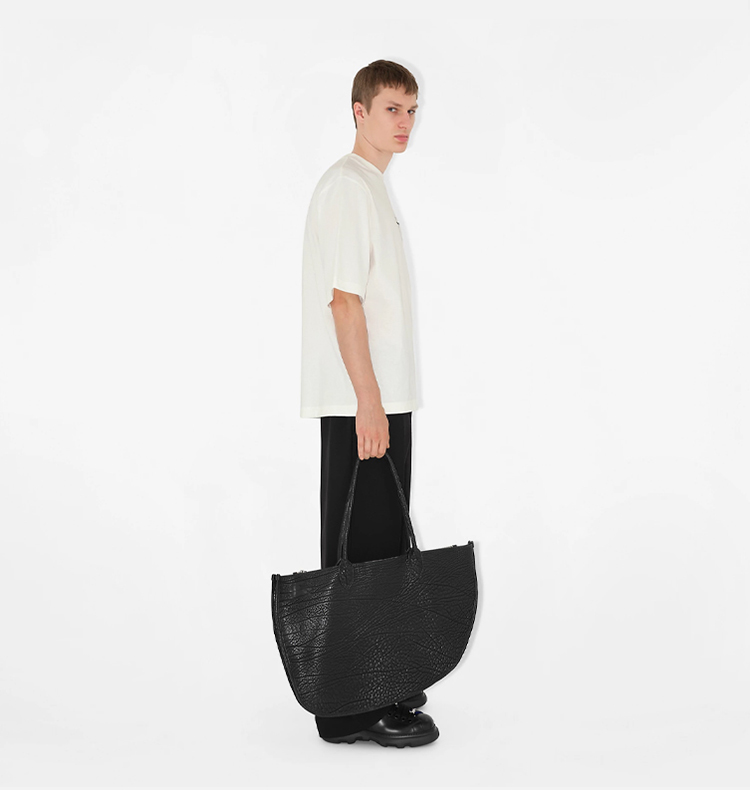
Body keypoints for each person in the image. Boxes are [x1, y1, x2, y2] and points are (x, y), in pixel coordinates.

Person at [299, 60, 439, 748]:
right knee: (362, 550)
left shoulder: (372, 187)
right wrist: (369, 402)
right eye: (391, 108)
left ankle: (378, 687)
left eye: (412, 110)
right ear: (359, 111)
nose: (405, 122)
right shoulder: (350, 188)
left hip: (378, 399)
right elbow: (344, 302)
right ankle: (351, 708)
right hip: (364, 401)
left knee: (378, 548)